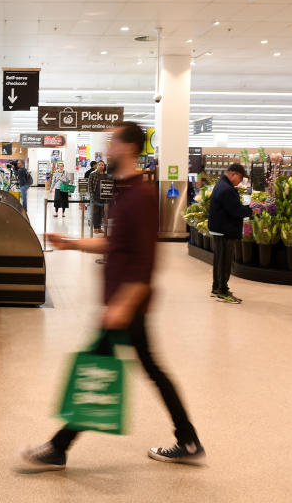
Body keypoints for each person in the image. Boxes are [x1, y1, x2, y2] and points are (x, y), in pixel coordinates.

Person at [21, 122, 204, 470]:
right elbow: (114, 245)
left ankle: (59, 447)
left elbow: (145, 261)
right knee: (144, 368)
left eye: (114, 141)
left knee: (99, 367)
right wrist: (70, 242)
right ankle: (188, 439)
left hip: (127, 305)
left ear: (130, 148)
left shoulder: (142, 196)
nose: (109, 147)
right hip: (123, 304)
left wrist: (123, 304)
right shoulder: (127, 191)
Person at [208, 163, 258, 304]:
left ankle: (216, 288)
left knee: (219, 260)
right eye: (240, 178)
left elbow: (231, 208)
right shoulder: (227, 189)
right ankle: (223, 291)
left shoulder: (221, 184)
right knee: (224, 262)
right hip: (225, 230)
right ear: (234, 174)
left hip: (219, 229)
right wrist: (250, 209)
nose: (240, 182)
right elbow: (236, 211)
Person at [88, 160, 113, 234]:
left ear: (104, 166)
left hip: (103, 197)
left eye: (102, 165)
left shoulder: (106, 175)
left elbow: (108, 186)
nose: (101, 166)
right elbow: (90, 186)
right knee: (95, 213)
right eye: (99, 165)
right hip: (95, 196)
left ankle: (99, 228)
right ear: (97, 166)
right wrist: (91, 195)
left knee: (101, 213)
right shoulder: (92, 174)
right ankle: (95, 228)